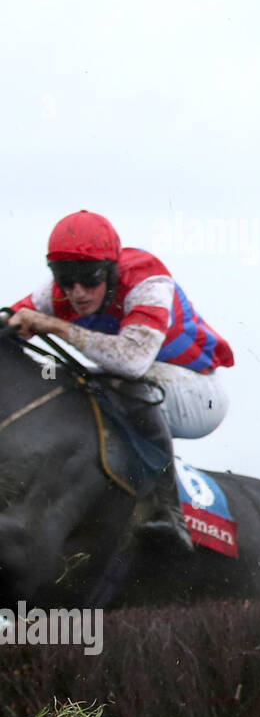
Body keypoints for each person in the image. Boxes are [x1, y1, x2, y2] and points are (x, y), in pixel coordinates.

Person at [8, 210, 234, 552]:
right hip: (143, 382)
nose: (78, 292)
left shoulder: (148, 281)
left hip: (198, 392)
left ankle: (165, 508)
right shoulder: (60, 292)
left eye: (89, 279)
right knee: (74, 383)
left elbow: (131, 362)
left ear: (111, 270)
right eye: (67, 281)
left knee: (122, 385)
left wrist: (53, 326)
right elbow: (13, 323)